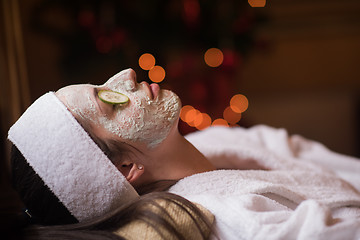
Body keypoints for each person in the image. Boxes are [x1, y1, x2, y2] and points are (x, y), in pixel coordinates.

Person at [8, 68, 360, 239]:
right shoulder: (239, 220)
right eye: (107, 101)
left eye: (102, 82)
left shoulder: (222, 140)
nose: (126, 75)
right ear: (127, 167)